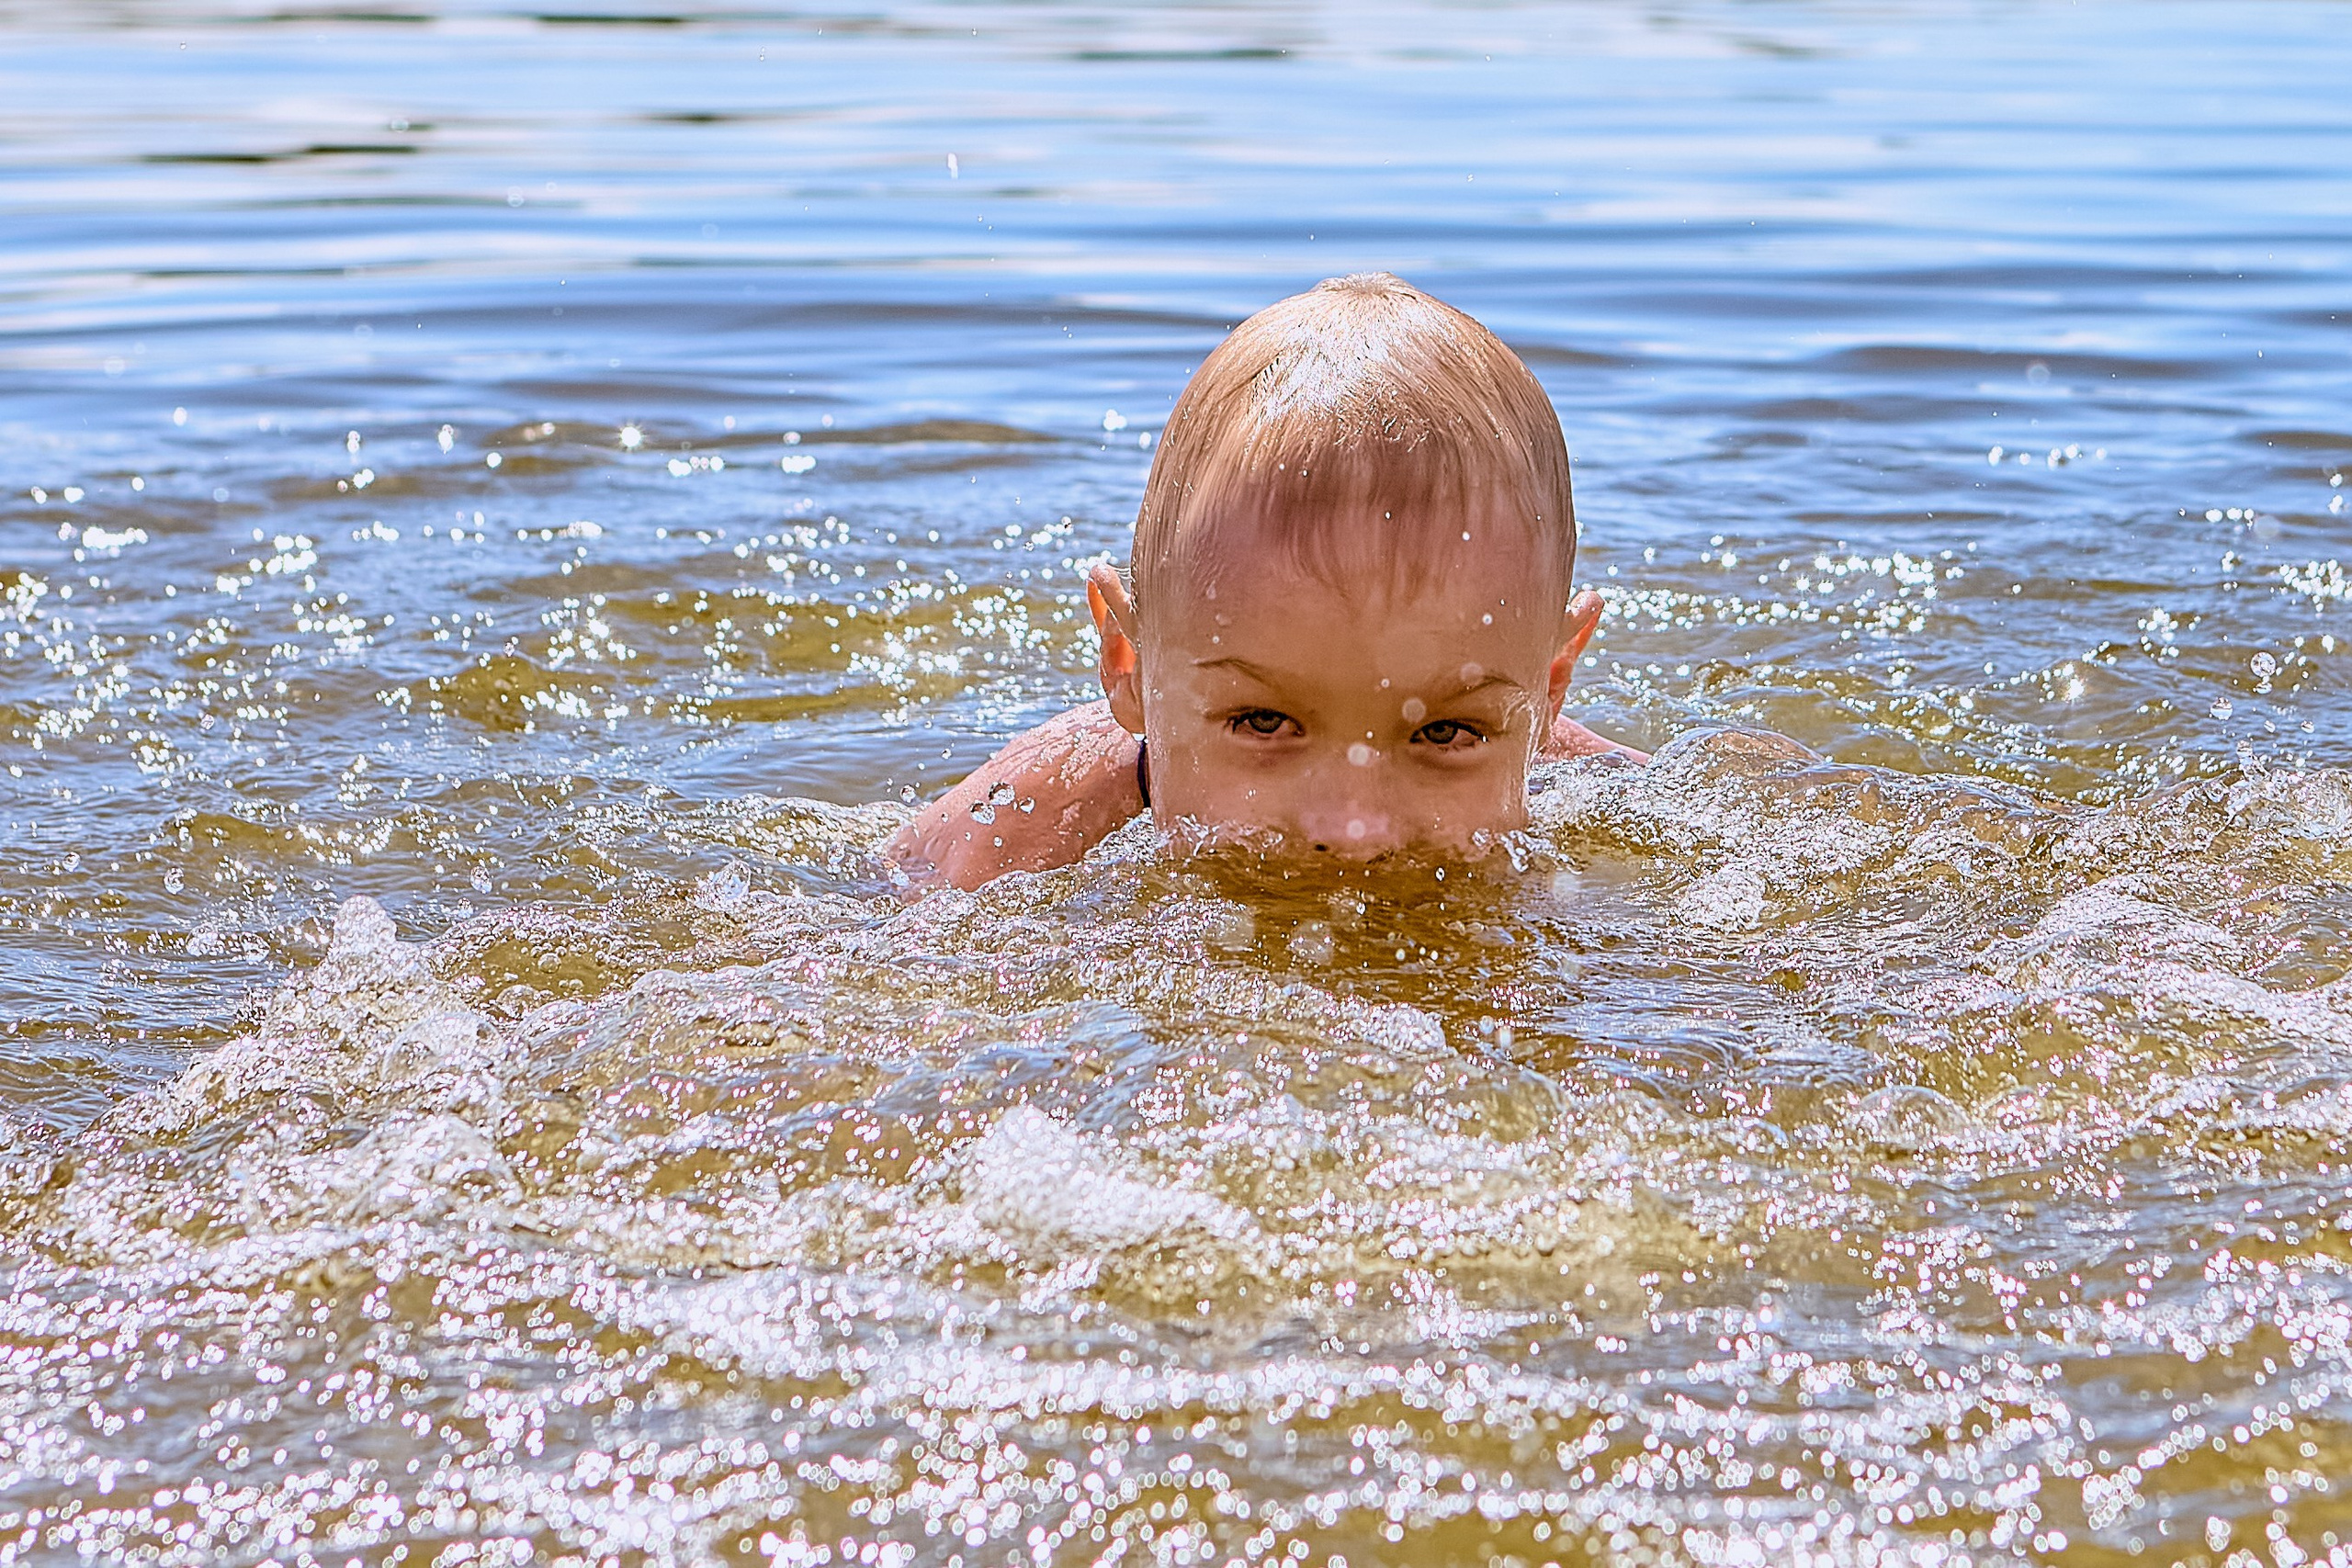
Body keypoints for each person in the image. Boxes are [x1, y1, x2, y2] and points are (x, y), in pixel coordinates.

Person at [886, 272, 1644, 890]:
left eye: (1443, 732)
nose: (1353, 831)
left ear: (1550, 687)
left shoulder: (1613, 791)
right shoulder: (1009, 841)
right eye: (1263, 723)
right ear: (1130, 666)